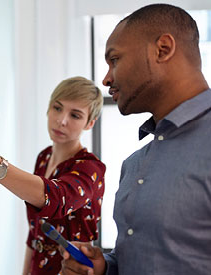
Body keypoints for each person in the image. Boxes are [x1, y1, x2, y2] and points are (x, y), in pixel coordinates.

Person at [60, 4, 211, 275]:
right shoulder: (134, 165)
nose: (106, 79)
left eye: (114, 59)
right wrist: (105, 267)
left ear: (163, 49)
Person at [0, 76, 105, 274]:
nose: (62, 120)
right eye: (57, 108)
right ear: (48, 109)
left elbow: (56, 199)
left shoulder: (91, 167)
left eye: (75, 115)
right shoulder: (44, 157)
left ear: (90, 123)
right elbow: (35, 232)